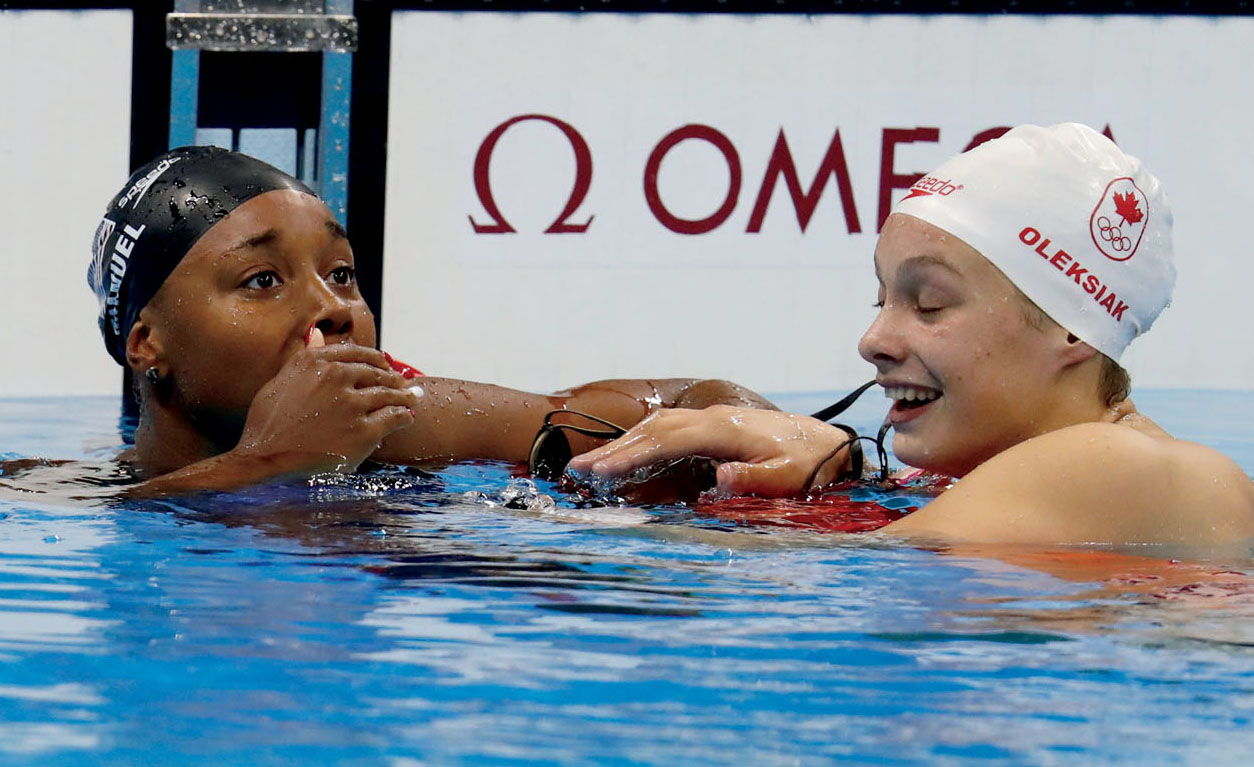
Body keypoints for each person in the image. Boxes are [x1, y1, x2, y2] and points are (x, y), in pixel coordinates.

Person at [567, 123, 1254, 547]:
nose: (874, 339)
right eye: (882, 296)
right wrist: (846, 465)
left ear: (1073, 326)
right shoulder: (989, 482)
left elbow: (855, 570)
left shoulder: (1133, 466)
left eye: (928, 304)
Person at [85, 146, 772, 495]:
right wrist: (277, 463)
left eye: (343, 273)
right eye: (262, 281)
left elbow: (680, 400)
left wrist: (759, 433)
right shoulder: (61, 501)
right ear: (147, 344)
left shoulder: (395, 422)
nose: (331, 307)